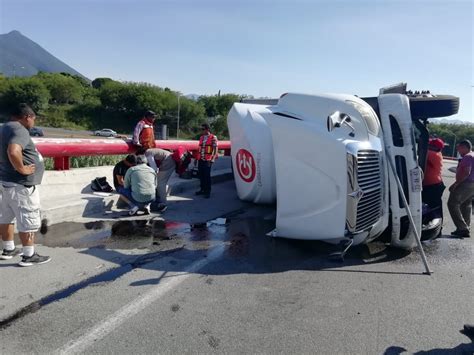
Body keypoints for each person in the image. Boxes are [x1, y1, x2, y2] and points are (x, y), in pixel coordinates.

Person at [0, 103, 51, 266]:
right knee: (27, 218)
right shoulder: (19, 129)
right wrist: (22, 169)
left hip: (7, 182)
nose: (33, 123)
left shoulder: (4, 128)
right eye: (34, 119)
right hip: (21, 186)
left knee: (6, 217)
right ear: (27, 117)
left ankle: (8, 249)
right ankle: (29, 255)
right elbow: (13, 151)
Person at [448, 139, 474, 238]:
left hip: (466, 183)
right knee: (466, 205)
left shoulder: (467, 157)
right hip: (472, 184)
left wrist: (456, 183)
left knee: (452, 203)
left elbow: (467, 172)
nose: (458, 151)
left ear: (464, 147)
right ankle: (465, 227)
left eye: (459, 149)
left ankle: (462, 228)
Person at [145, 148, 175, 212]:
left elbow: (154, 168)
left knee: (160, 184)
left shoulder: (147, 153)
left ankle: (163, 203)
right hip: (170, 160)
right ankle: (160, 201)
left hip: (168, 162)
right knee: (161, 183)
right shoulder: (150, 150)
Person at [422, 138, 445, 219]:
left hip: (432, 186)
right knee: (434, 207)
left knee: (434, 208)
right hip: (434, 185)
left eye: (430, 145)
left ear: (435, 147)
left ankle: (436, 228)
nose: (428, 146)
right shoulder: (436, 153)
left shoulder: (432, 154)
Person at [195, 123, 218, 199]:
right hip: (201, 159)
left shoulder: (213, 137)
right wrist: (196, 158)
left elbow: (215, 149)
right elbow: (199, 149)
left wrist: (212, 159)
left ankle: (207, 191)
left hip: (208, 160)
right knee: (201, 175)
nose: (202, 130)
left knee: (207, 176)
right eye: (201, 129)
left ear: (207, 129)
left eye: (203, 129)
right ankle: (202, 189)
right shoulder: (201, 137)